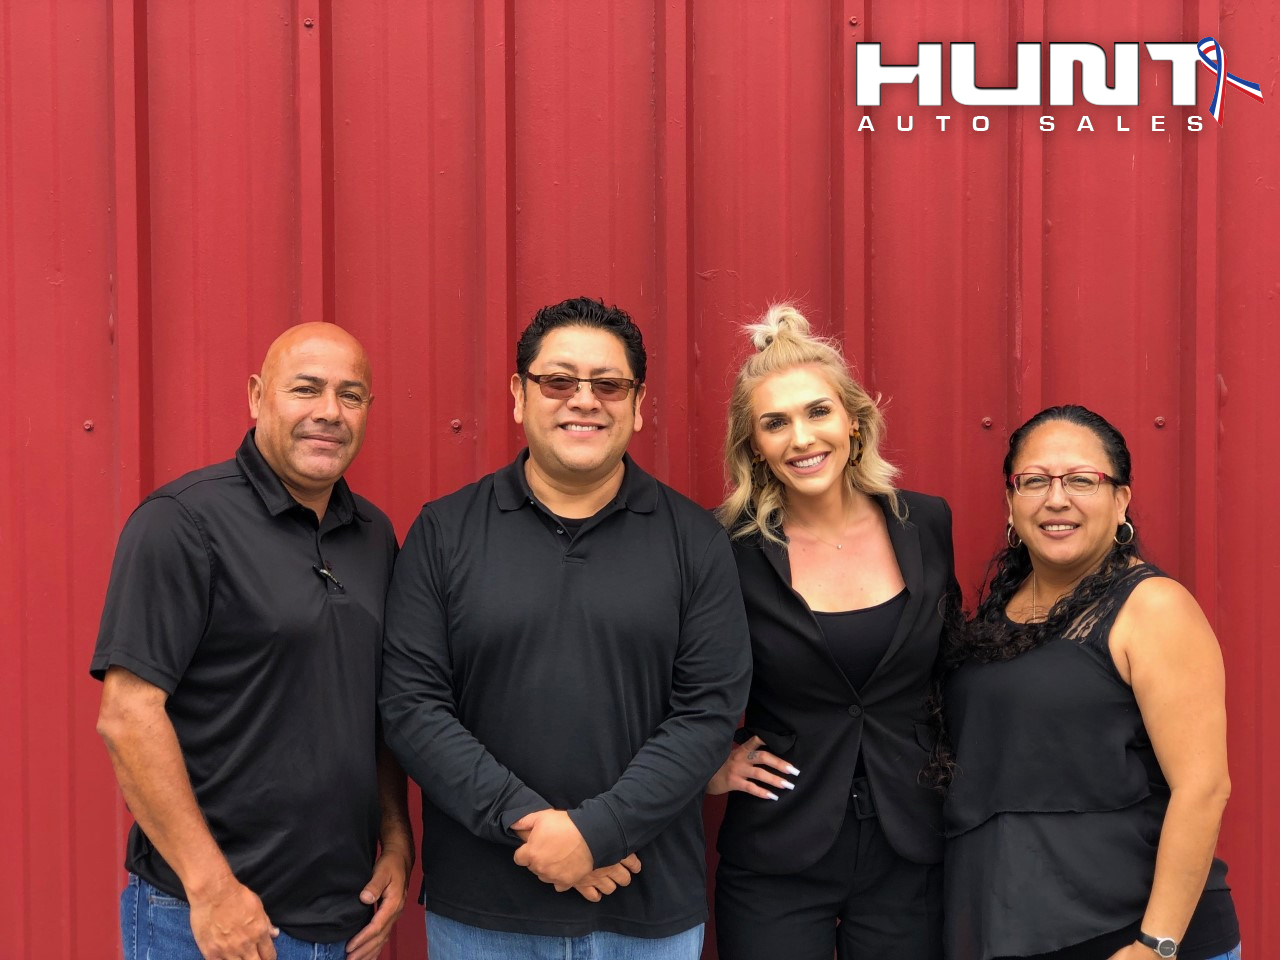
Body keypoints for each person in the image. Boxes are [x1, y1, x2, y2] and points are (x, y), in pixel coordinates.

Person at [379, 296, 752, 960]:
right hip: (483, 916)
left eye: (608, 385)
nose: (584, 400)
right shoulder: (444, 533)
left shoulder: (696, 541)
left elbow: (707, 713)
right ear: (519, 396)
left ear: (638, 404)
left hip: (647, 916)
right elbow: (413, 707)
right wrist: (534, 828)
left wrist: (596, 834)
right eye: (558, 381)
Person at [92, 322, 413, 960]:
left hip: (343, 919)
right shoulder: (182, 522)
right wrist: (212, 890)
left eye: (350, 396)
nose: (330, 412)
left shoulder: (374, 536)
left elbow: (377, 709)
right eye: (306, 389)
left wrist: (397, 842)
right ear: (257, 396)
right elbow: (127, 717)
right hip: (206, 920)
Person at [938, 404, 1240, 960]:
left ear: (1120, 499)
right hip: (1007, 931)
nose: (1057, 499)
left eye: (1082, 480)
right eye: (1035, 481)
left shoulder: (1152, 608)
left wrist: (1156, 945)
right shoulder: (999, 614)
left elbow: (1203, 788)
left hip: (1127, 936)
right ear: (1011, 502)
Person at [709, 304, 955, 960]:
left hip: (911, 848)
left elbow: (953, 666)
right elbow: (666, 668)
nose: (801, 438)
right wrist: (706, 766)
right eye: (775, 423)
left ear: (854, 420)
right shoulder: (724, 547)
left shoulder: (926, 524)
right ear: (753, 446)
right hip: (777, 851)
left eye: (818, 412)